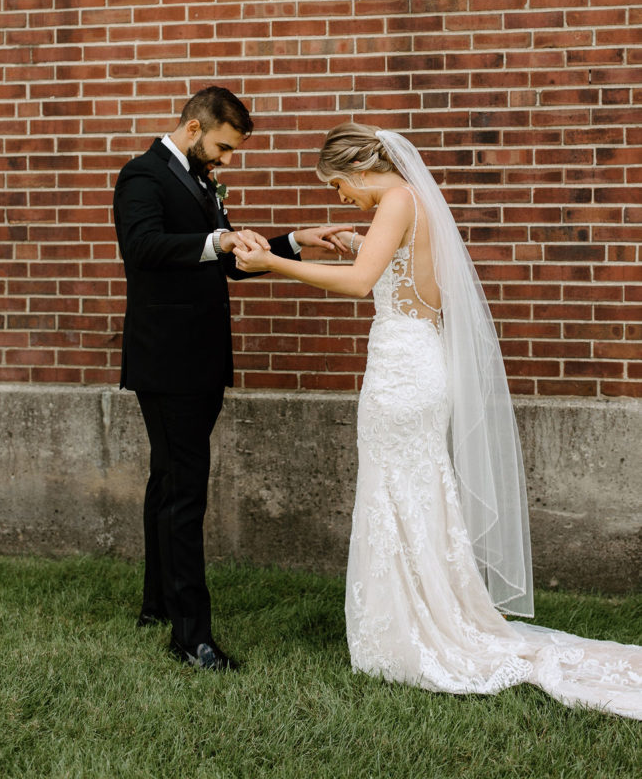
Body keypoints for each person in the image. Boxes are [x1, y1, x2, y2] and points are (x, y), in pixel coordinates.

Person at [234, 122, 642, 718]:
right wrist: (358, 246)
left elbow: (359, 285)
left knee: (395, 492)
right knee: (414, 491)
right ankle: (425, 614)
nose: (340, 199)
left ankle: (410, 632)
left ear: (355, 172)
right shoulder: (414, 202)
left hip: (401, 373)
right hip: (420, 359)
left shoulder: (395, 199)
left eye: (338, 187)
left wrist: (273, 262)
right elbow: (409, 282)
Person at [113, 86, 344, 671]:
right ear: (193, 128)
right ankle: (192, 639)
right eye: (223, 147)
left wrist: (293, 242)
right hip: (167, 361)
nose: (227, 161)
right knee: (184, 492)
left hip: (199, 360)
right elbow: (143, 249)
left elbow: (230, 258)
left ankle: (158, 605)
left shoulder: (198, 177)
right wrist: (215, 240)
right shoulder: (141, 176)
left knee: (167, 482)